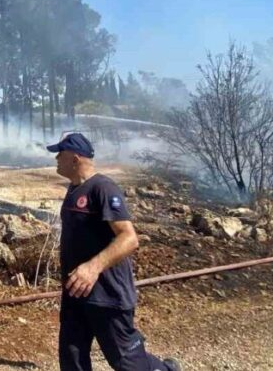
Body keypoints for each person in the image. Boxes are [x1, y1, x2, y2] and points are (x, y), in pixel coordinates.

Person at [48, 132, 181, 371]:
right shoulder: (73, 189)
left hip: (106, 294)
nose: (56, 158)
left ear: (75, 159)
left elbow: (129, 238)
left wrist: (92, 267)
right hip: (76, 291)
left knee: (126, 362)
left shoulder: (103, 188)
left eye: (60, 153)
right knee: (72, 356)